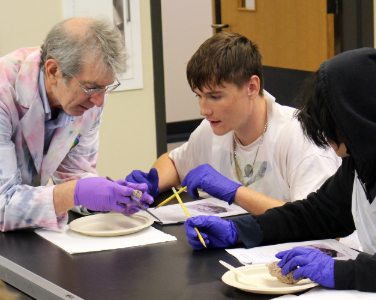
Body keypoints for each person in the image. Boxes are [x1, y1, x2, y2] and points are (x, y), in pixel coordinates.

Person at [184, 47, 376, 292]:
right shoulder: (362, 159)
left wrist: (340, 272)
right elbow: (318, 214)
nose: (324, 137)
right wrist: (241, 230)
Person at [126, 32, 340, 215]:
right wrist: (150, 183)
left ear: (252, 87)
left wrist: (235, 192)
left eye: (215, 97)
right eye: (198, 96)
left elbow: (316, 220)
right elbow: (173, 163)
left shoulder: (301, 136)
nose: (204, 109)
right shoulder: (214, 130)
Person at [0, 17, 153, 232]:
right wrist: (77, 192)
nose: (99, 101)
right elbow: (2, 205)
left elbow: (74, 175)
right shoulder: (4, 92)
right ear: (54, 71)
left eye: (105, 88)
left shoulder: (88, 99)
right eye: (91, 88)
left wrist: (107, 196)